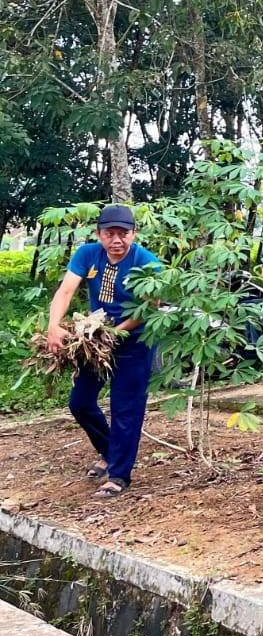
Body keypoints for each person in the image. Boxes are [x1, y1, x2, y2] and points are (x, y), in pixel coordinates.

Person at [46, 205, 162, 500]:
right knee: (80, 402)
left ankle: (119, 475)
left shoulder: (147, 263)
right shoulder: (87, 254)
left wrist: (117, 332)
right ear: (98, 234)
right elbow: (66, 291)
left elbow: (150, 306)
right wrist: (54, 326)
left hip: (134, 340)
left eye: (123, 233)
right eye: (110, 233)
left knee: (126, 407)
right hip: (97, 338)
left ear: (133, 234)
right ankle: (109, 450)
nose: (117, 240)